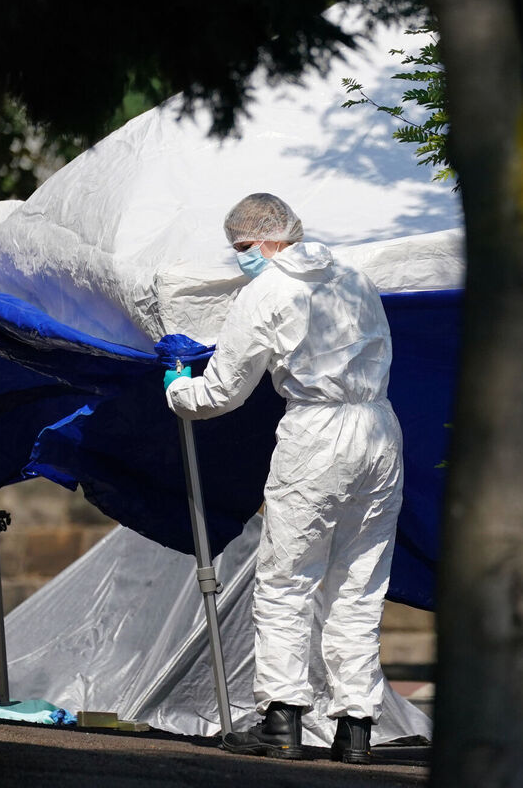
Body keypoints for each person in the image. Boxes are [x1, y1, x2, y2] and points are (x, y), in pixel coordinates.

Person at [165, 192, 403, 764]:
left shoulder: (265, 292)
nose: (241, 259)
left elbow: (223, 392)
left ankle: (282, 721)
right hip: (379, 430)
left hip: (316, 434)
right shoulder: (353, 276)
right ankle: (355, 729)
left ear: (267, 239)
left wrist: (176, 385)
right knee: (360, 584)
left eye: (242, 248)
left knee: (287, 579)